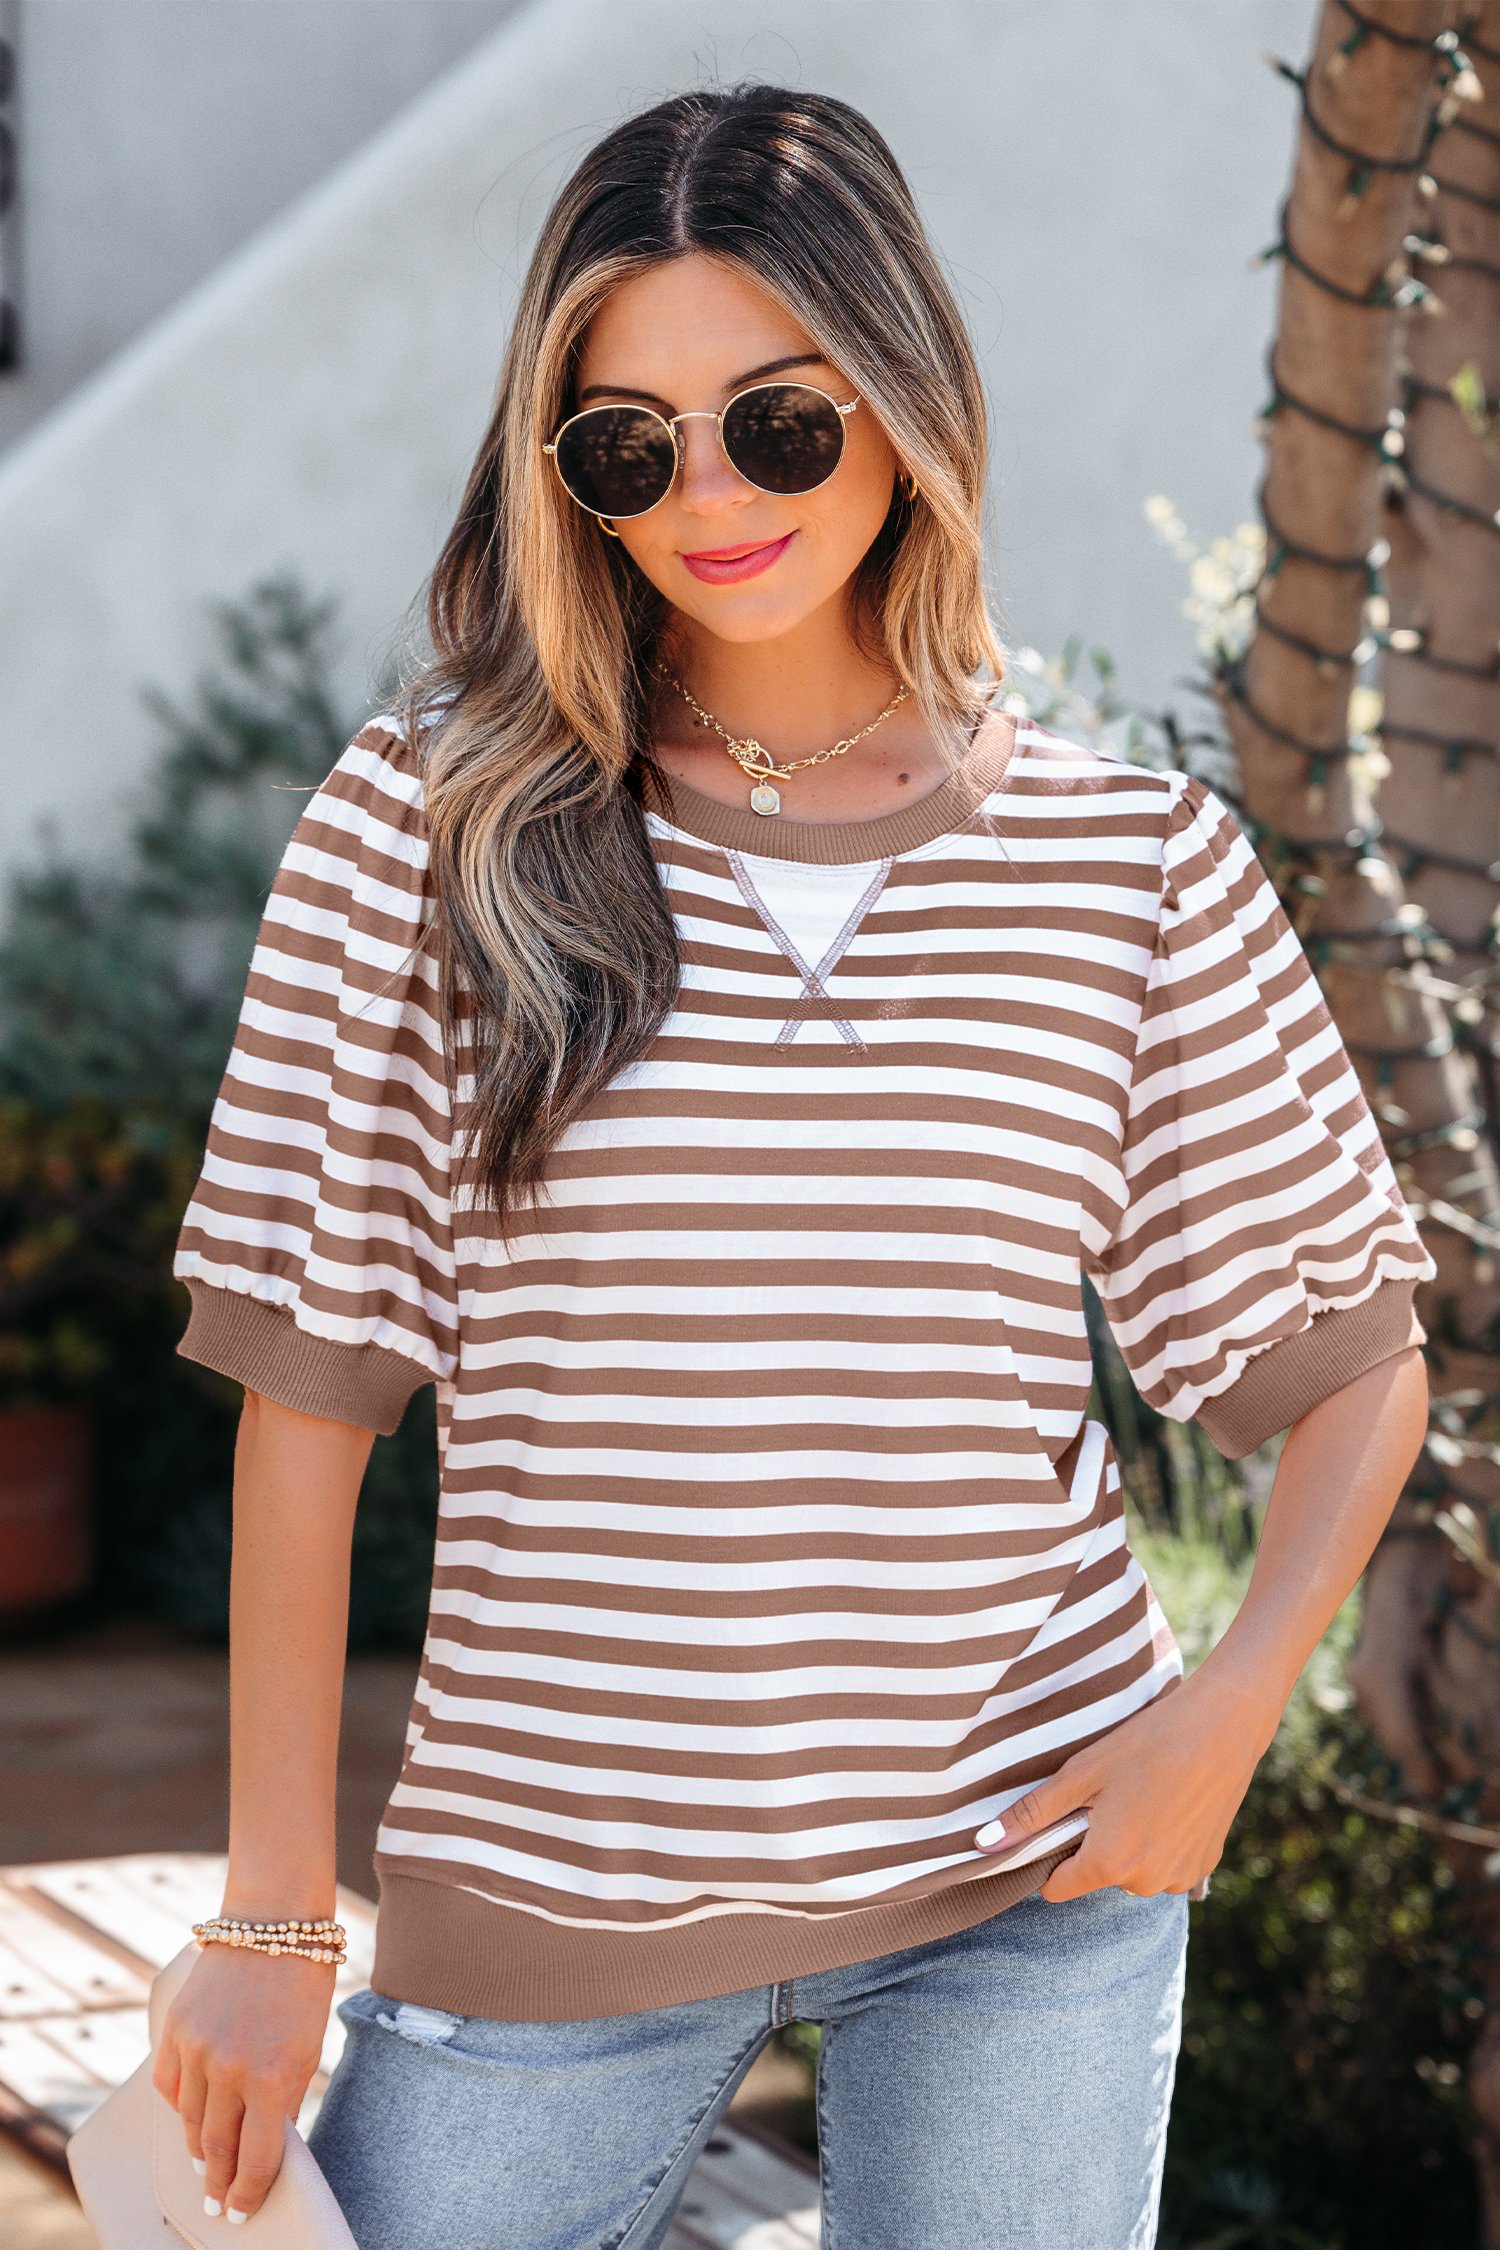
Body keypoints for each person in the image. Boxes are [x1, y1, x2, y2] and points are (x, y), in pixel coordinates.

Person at [152, 81, 1434, 2250]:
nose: (710, 497)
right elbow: (309, 1397)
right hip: (557, 1888)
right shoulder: (430, 831)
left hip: (1030, 1886)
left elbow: (1353, 1360)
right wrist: (272, 1918)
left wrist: (1223, 1719)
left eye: (775, 421)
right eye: (626, 447)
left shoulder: (1131, 869)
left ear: (905, 395)